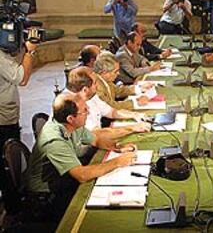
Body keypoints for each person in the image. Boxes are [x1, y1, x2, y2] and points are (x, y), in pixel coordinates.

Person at [23, 93, 138, 222]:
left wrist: (117, 147)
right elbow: (81, 175)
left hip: (64, 178)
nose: (88, 112)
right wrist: (117, 162)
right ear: (71, 118)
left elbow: (95, 140)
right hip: (47, 195)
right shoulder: (54, 140)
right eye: (84, 111)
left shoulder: (72, 124)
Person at [66, 67, 151, 139]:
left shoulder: (90, 95)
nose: (97, 86)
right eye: (95, 83)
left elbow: (111, 112)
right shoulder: (73, 106)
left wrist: (135, 115)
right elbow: (96, 134)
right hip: (88, 151)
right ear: (85, 89)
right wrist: (133, 128)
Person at [0, 41, 36, 203]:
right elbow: (22, 79)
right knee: (7, 160)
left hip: (7, 115)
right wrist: (30, 52)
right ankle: (12, 203)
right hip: (3, 120)